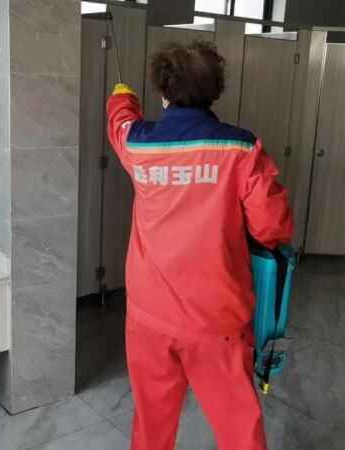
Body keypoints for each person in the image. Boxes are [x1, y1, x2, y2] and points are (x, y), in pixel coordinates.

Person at [106, 40, 294, 450]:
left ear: (164, 91)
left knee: (151, 421)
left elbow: (120, 123)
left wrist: (122, 97)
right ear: (214, 90)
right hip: (216, 319)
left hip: (149, 315)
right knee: (238, 427)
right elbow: (272, 228)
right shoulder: (241, 149)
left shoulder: (139, 144)